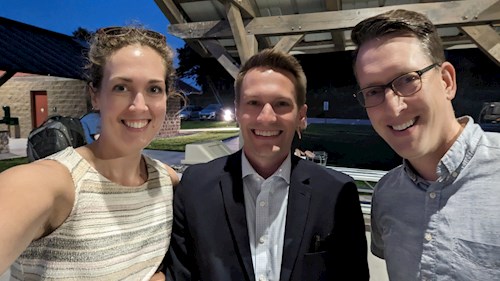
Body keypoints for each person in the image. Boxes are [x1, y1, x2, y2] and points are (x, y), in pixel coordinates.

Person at [165, 48, 369, 280]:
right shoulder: (194, 187)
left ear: (301, 115)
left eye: (281, 104)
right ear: (238, 110)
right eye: (253, 102)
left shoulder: (337, 193)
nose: (266, 117)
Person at [0, 25, 180, 280]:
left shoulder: (167, 182)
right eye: (121, 87)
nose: (139, 106)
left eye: (154, 89)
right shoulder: (51, 184)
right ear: (95, 95)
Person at [351, 9, 500, 280]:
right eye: (373, 91)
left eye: (408, 79)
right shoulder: (386, 195)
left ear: (446, 82)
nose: (394, 108)